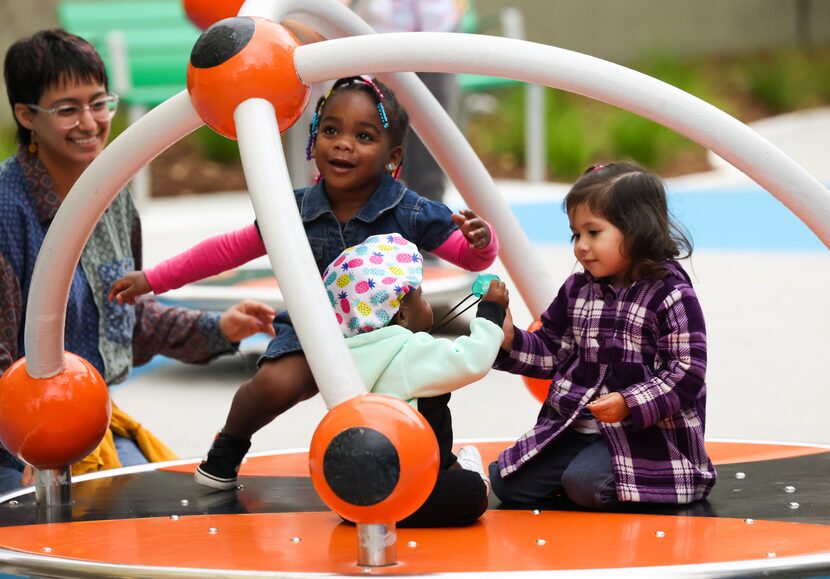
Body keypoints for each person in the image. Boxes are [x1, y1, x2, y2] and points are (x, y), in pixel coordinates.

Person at [108, 76, 500, 491]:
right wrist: (153, 278)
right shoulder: (292, 210)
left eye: (364, 136)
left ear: (392, 156)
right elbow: (226, 250)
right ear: (314, 139)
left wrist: (481, 239)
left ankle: (442, 464)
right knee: (273, 385)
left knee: (420, 399)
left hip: (390, 338)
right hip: (315, 328)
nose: (343, 144)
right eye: (331, 130)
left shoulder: (411, 210)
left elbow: (472, 258)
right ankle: (228, 447)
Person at [0, 29, 276, 492]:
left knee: (171, 507)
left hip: (85, 426)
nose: (90, 122)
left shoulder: (112, 196)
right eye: (67, 108)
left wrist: (217, 328)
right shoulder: (8, 208)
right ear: (27, 116)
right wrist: (27, 440)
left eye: (98, 102)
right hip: (16, 438)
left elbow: (128, 318)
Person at [489, 162, 716, 510]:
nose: (581, 246)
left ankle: (653, 482)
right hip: (575, 427)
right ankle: (582, 474)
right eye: (575, 234)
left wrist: (629, 403)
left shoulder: (670, 294)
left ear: (637, 230)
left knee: (586, 484)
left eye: (593, 233)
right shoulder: (579, 289)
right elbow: (552, 350)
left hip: (646, 439)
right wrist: (509, 340)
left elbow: (686, 371)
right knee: (507, 482)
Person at [320, 233, 507, 526]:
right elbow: (472, 360)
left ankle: (448, 468)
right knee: (471, 495)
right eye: (421, 296)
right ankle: (470, 472)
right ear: (403, 315)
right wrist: (491, 313)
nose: (427, 303)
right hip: (408, 487)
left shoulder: (344, 356)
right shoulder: (406, 351)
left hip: (353, 498)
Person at [346, 0, 463, 204]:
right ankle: (378, 216)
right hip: (382, 38)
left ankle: (431, 221)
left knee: (434, 136)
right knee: (381, 137)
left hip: (438, 31)